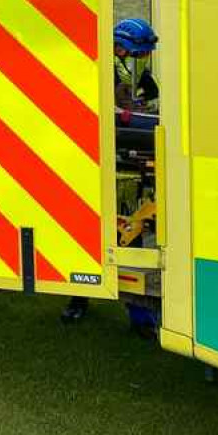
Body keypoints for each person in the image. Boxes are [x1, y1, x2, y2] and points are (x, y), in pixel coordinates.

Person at [61, 19, 159, 325]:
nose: (141, 58)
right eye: (136, 52)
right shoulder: (98, 68)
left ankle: (140, 316)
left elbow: (149, 99)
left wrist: (146, 113)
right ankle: (79, 297)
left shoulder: (137, 71)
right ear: (117, 46)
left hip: (129, 166)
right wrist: (130, 116)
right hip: (100, 160)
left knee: (133, 236)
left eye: (144, 54)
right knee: (88, 239)